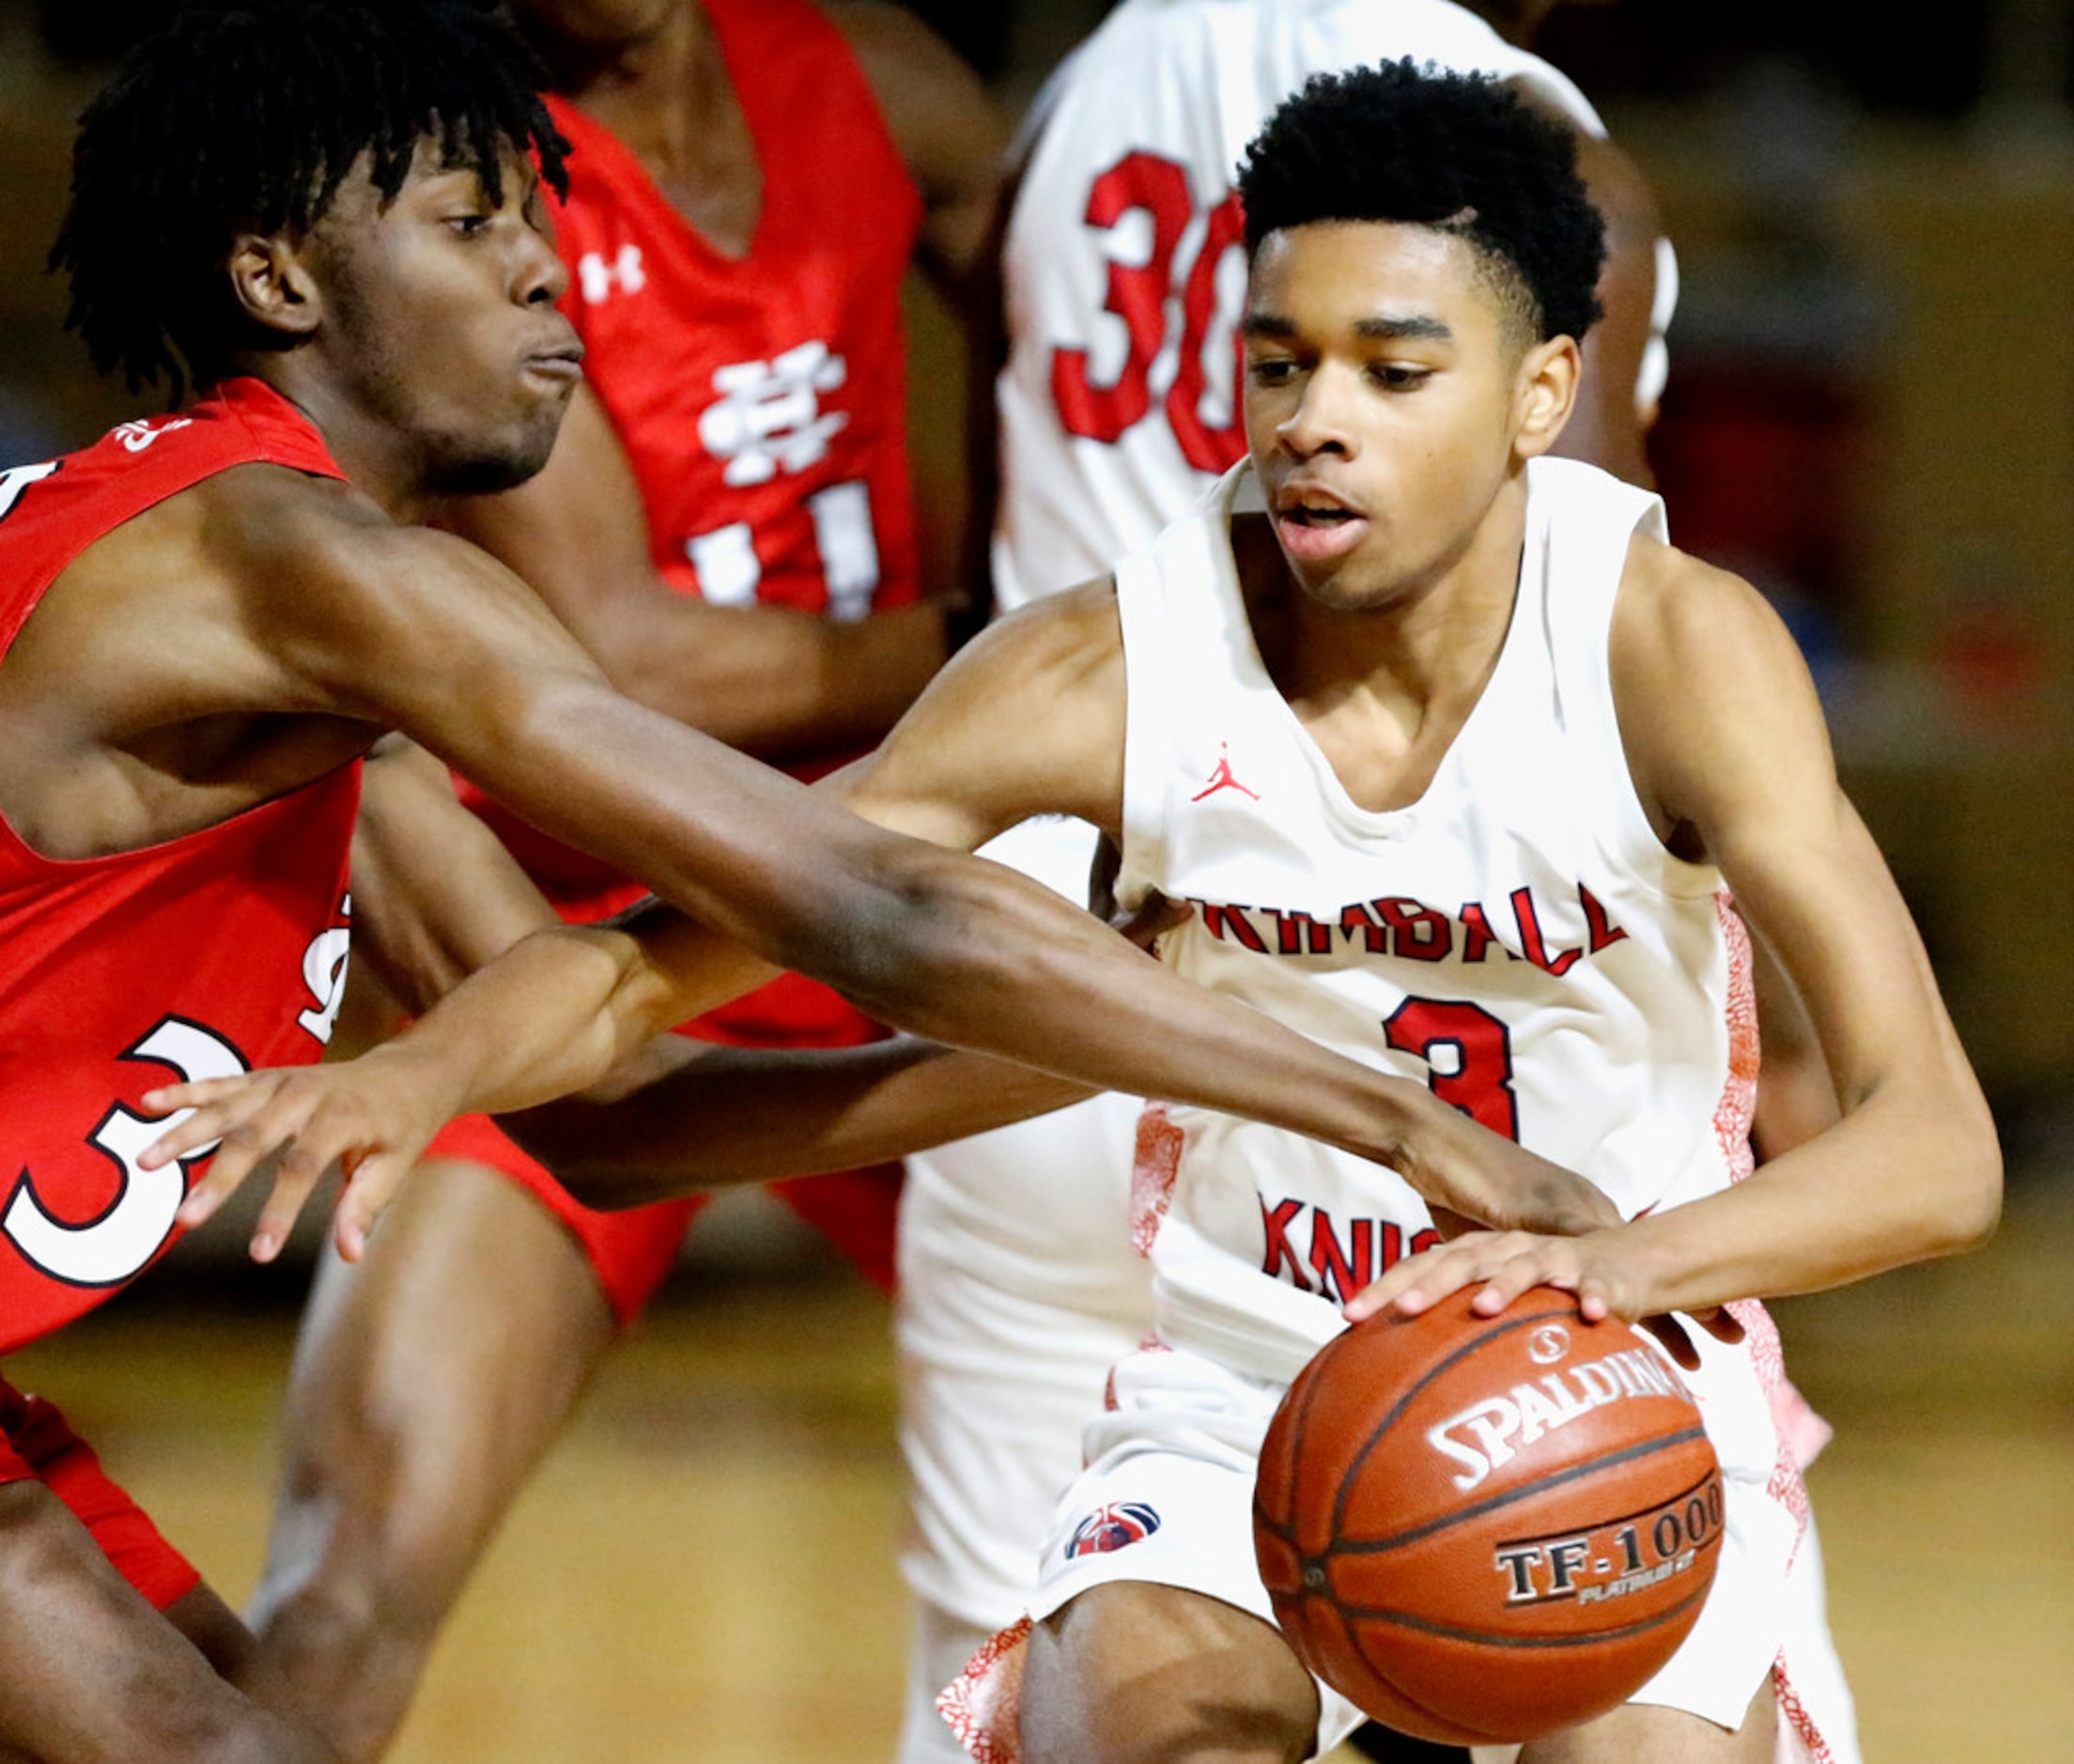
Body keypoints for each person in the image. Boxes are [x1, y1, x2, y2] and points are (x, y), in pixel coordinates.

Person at [154, 57, 2000, 1764]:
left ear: (1539, 395)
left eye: (1393, 370)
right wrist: (423, 1076)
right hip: (1240, 1393)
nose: (1317, 426)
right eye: (1279, 363)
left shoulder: (1673, 645)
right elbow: (665, 961)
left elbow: (1939, 1154)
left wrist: (1608, 1267)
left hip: (1598, 1381)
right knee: (1140, 1717)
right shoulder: (1109, 661)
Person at [902, 6, 1683, 1756]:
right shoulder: (1526, 155)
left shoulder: (1076, 92)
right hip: (1397, 1011)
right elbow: (1580, 615)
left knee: (1004, 1647)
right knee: (1636, 1632)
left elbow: (981, 555)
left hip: (1036, 917)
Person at [236, 5, 1013, 1751]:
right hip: (576, 919)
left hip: (910, 856)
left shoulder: (877, 82)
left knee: (1231, 1447)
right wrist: (1022, 635)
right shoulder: (448, 181)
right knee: (348, 1575)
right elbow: (627, 671)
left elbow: (1095, 326)